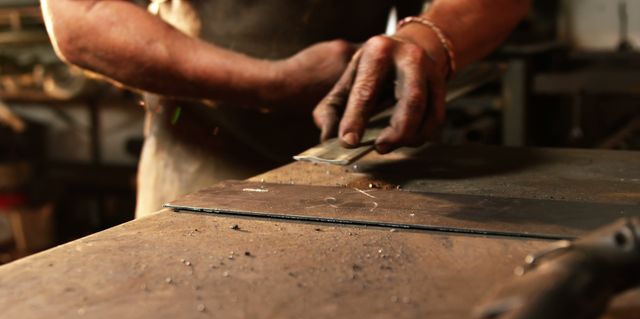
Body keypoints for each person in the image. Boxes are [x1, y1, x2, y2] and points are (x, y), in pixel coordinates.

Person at [41, 0, 531, 217]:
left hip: (379, 175)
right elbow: (77, 16)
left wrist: (425, 40)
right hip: (199, 162)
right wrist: (271, 84)